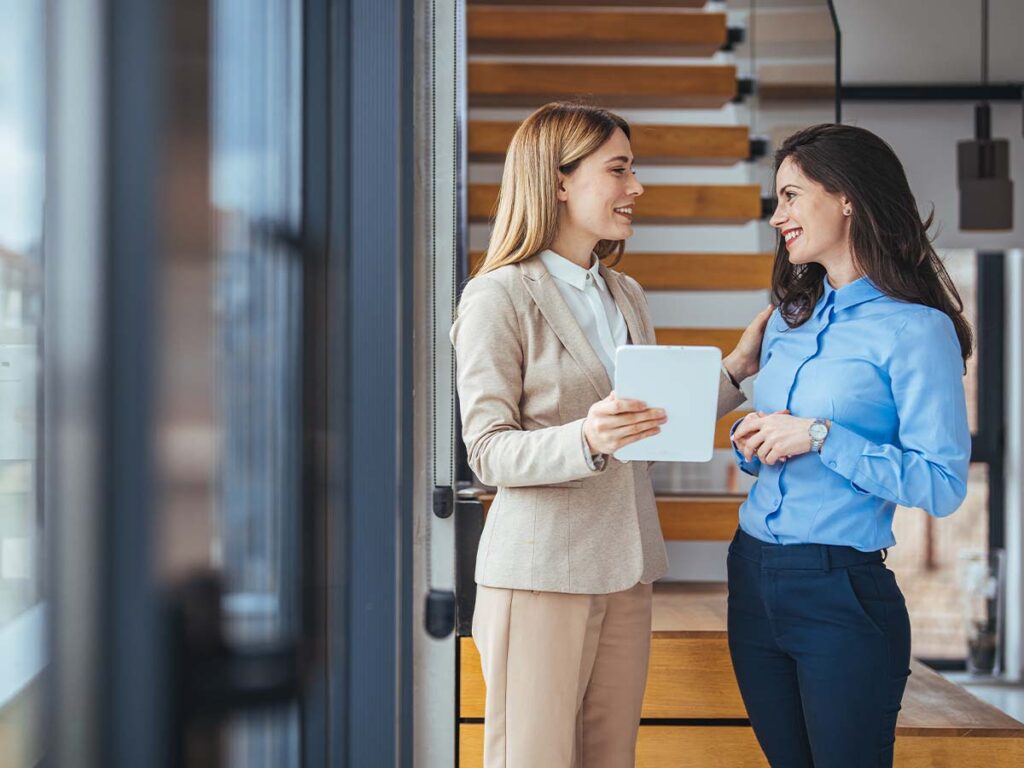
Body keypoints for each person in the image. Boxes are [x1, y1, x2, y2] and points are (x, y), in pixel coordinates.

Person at [451, 101, 770, 768]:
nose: (637, 188)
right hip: (539, 576)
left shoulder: (625, 294)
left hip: (625, 570)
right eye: (619, 169)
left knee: (610, 759)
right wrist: (587, 439)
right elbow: (487, 453)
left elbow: (651, 420)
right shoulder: (497, 297)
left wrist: (736, 370)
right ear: (558, 180)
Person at [728, 123, 973, 768]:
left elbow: (941, 485)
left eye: (790, 196)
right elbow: (764, 443)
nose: (778, 216)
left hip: (840, 590)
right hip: (752, 575)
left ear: (847, 199)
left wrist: (819, 436)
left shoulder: (917, 331)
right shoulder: (785, 319)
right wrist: (750, 439)